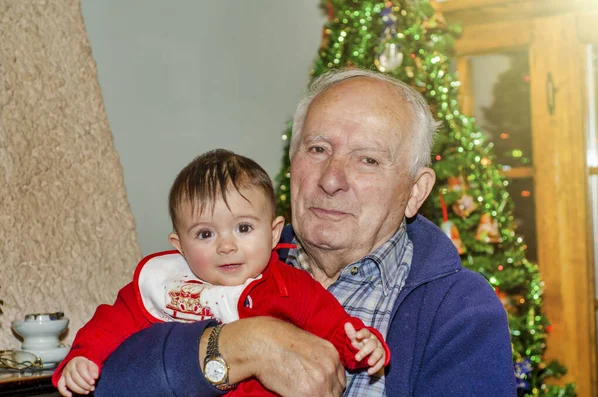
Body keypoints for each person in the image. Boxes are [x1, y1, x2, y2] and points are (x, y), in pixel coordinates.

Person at [94, 68, 517, 397]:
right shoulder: (224, 262)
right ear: (292, 165)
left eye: (368, 159)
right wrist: (244, 344)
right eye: (317, 150)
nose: (331, 179)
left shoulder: (459, 310)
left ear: (415, 191)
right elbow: (105, 382)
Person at [53, 149, 389, 397]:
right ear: (179, 245)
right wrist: (84, 356)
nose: (226, 246)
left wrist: (360, 344)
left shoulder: (290, 287)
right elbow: (110, 324)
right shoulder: (167, 285)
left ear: (273, 234)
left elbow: (332, 322)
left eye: (243, 228)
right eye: (205, 234)